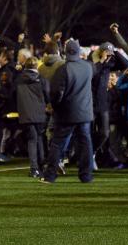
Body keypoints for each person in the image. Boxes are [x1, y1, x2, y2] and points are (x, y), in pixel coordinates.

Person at [41, 39, 95, 183]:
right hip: (85, 112)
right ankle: (86, 175)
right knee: (85, 144)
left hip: (67, 113)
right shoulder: (88, 67)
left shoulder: (64, 69)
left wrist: (55, 107)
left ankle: (50, 175)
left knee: (57, 143)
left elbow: (56, 93)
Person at [16, 55, 49, 178]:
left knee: (32, 139)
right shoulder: (41, 79)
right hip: (40, 113)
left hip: (25, 113)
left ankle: (34, 168)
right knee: (39, 138)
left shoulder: (19, 79)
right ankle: (41, 165)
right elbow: (48, 95)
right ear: (37, 66)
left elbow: (13, 95)